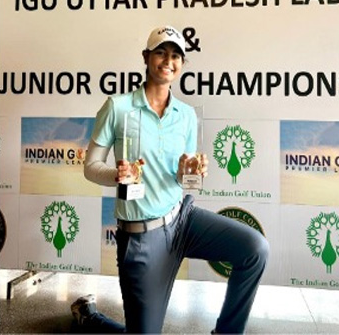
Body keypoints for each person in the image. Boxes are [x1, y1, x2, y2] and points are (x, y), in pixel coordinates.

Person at [70, 27, 269, 334]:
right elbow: (90, 167)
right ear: (146, 57)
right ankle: (89, 317)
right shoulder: (118, 107)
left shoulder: (186, 115)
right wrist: (116, 175)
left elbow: (182, 177)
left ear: (182, 64)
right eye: (161, 52)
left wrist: (189, 171)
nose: (168, 61)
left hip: (182, 219)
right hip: (142, 236)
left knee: (255, 248)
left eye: (176, 55)